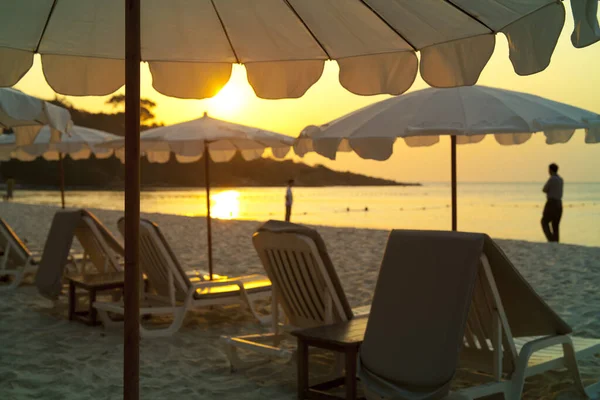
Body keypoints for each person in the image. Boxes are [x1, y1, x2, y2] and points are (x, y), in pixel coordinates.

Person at [541, 163, 563, 242]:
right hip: (559, 203)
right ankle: (556, 241)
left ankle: (550, 239)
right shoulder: (561, 179)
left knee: (544, 221)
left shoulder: (552, 179)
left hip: (551, 203)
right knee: (555, 224)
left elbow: (544, 189)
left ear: (550, 170)